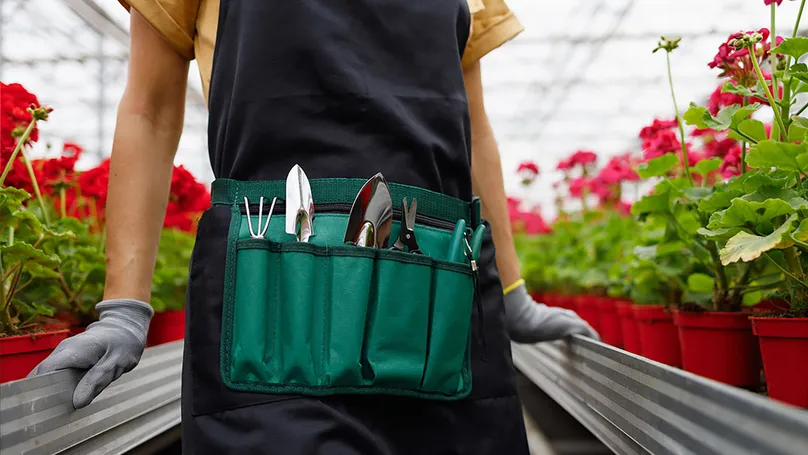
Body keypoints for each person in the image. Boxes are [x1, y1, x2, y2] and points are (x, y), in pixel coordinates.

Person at [30, 0, 597, 453]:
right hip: (267, 322)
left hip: (440, 307)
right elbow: (148, 111)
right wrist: (124, 308)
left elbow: (474, 132)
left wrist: (514, 294)